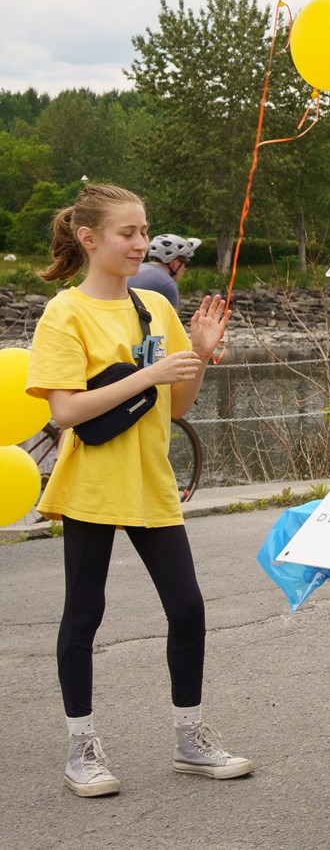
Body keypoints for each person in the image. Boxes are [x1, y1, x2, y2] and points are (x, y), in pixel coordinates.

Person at [25, 183, 250, 798]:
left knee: (188, 609)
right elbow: (67, 412)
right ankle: (82, 749)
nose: (141, 243)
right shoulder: (64, 312)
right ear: (89, 238)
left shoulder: (155, 307)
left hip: (152, 481)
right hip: (93, 486)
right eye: (127, 233)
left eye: (144, 231)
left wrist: (198, 356)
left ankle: (190, 739)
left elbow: (174, 403)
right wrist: (150, 372)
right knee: (84, 615)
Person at [127, 234, 200, 309]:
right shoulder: (167, 284)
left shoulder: (139, 268)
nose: (184, 269)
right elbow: (171, 320)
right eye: (185, 263)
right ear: (175, 263)